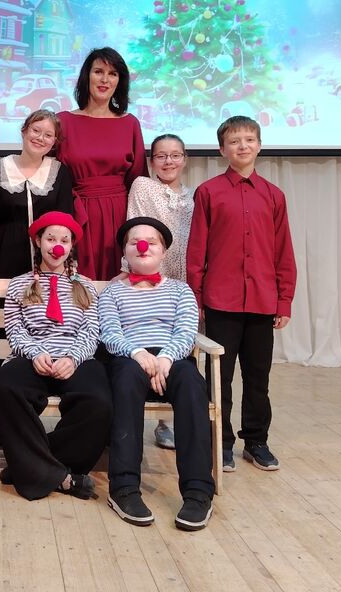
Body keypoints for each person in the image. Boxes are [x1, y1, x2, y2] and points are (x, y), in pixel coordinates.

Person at [186, 116, 297, 473]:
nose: (242, 146)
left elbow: (283, 252)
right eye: (234, 141)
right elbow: (196, 252)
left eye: (249, 139)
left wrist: (284, 300)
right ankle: (221, 441)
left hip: (263, 301)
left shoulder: (274, 196)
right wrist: (196, 299)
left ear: (259, 145)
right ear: (222, 150)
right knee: (220, 377)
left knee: (258, 377)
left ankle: (256, 441)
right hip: (221, 301)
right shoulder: (208, 192)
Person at [0, 211, 113, 501]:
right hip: (32, 356)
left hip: (76, 358)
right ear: (38, 242)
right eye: (51, 239)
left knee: (100, 402)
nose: (57, 246)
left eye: (64, 240)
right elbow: (15, 330)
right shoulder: (19, 284)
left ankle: (28, 465)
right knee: (1, 387)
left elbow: (91, 331)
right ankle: (59, 476)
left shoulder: (85, 285)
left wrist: (73, 358)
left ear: (71, 246)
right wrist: (34, 353)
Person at [99, 217, 214, 531]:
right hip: (129, 358)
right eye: (134, 241)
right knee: (124, 381)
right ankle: (123, 489)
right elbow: (109, 333)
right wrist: (138, 354)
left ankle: (198, 492)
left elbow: (186, 331)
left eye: (152, 242)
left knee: (193, 384)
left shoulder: (180, 290)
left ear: (163, 251)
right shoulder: (111, 292)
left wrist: (165, 358)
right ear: (125, 252)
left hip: (171, 358)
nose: (143, 246)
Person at [0, 110, 74, 375]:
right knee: (3, 318)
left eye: (48, 135)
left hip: (48, 259)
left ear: (54, 142)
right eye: (36, 130)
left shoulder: (60, 172)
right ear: (24, 131)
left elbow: (65, 221)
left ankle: (45, 375)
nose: (40, 138)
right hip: (6, 256)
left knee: (44, 319)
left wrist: (68, 264)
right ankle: (2, 381)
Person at [124, 133, 193, 450]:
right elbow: (134, 225)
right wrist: (131, 271)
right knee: (146, 346)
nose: (169, 161)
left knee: (179, 350)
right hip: (150, 280)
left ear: (184, 159)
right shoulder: (143, 186)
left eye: (175, 155)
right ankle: (138, 419)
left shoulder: (195, 197)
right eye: (161, 156)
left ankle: (172, 421)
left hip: (185, 283)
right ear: (152, 161)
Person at [57, 47, 147, 280]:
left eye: (112, 74)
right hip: (76, 215)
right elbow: (47, 177)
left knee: (120, 288)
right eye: (98, 71)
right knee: (76, 289)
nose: (105, 79)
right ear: (86, 76)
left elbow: (139, 180)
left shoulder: (130, 123)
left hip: (120, 216)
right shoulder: (63, 121)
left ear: (120, 81)